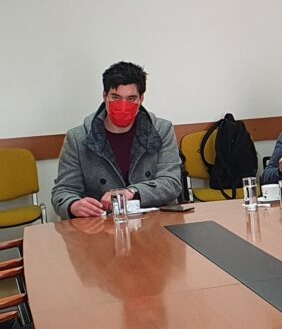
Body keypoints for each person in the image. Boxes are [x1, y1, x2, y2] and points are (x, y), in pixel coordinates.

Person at [52, 62, 183, 219]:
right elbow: (63, 191)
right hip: (102, 224)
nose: (123, 106)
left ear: (141, 99)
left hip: (154, 220)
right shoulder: (78, 138)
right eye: (116, 97)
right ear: (105, 96)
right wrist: (73, 205)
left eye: (131, 98)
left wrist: (132, 192)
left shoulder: (161, 130)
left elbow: (172, 183)